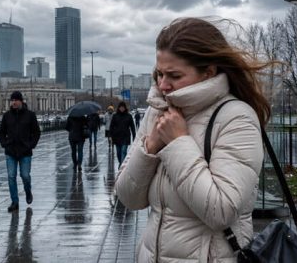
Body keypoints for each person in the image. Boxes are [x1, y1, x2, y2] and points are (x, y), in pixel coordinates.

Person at [114, 17, 269, 262]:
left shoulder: (236, 118)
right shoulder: (158, 111)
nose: (163, 85)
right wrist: (150, 147)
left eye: (174, 75)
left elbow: (221, 211)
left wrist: (178, 143)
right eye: (159, 74)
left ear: (208, 72)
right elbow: (128, 197)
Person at [0, 91, 41, 212]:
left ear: (21, 101)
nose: (13, 102)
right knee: (11, 176)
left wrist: (31, 145)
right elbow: (1, 132)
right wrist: (4, 144)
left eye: (16, 100)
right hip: (10, 151)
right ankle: (15, 202)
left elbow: (37, 132)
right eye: (12, 100)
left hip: (25, 151)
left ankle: (28, 192)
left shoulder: (30, 115)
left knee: (25, 176)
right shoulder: (7, 116)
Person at [109, 101, 136, 166]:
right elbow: (111, 126)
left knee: (123, 151)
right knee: (118, 152)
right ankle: (120, 163)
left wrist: (134, 136)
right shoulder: (115, 116)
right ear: (118, 108)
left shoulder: (129, 116)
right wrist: (110, 136)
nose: (122, 109)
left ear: (125, 108)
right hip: (117, 137)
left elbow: (132, 126)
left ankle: (122, 166)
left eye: (123, 107)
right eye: (120, 107)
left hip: (125, 136)